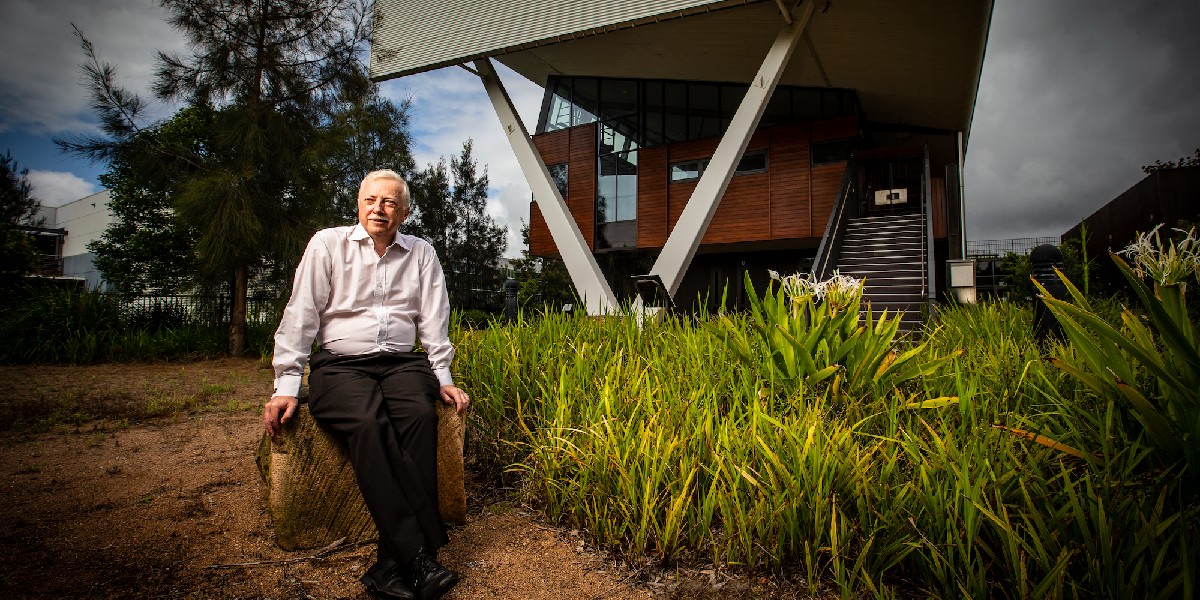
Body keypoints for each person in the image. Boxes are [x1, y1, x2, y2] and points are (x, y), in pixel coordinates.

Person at [263, 169, 470, 600]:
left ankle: (388, 567)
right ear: (358, 205)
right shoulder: (328, 244)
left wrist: (444, 379)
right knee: (366, 421)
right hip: (339, 366)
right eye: (371, 200)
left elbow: (434, 321)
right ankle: (418, 555)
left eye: (390, 202)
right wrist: (286, 384)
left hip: (401, 364)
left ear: (406, 212)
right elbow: (300, 315)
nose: (379, 209)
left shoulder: (421, 253)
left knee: (418, 416)